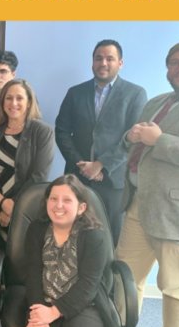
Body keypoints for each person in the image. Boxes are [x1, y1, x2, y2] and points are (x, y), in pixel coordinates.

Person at [116, 40, 179, 327]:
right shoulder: (156, 102)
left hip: (178, 212)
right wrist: (131, 136)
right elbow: (135, 141)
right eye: (175, 63)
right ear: (166, 68)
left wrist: (158, 140)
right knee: (125, 275)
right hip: (139, 203)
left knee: (177, 285)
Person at [23, 175, 116, 327]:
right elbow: (32, 274)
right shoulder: (37, 229)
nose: (58, 205)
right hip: (45, 300)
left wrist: (54, 312)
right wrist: (38, 313)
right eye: (53, 199)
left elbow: (88, 286)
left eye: (67, 200)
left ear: (81, 207)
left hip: (86, 305)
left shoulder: (94, 236)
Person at [55, 40, 147, 246]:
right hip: (77, 178)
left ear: (120, 63)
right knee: (73, 233)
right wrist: (81, 164)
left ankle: (107, 278)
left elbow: (135, 137)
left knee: (110, 237)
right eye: (98, 58)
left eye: (110, 58)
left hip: (113, 180)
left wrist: (101, 165)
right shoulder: (75, 92)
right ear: (92, 62)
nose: (103, 63)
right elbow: (61, 131)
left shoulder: (135, 94)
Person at [0, 79, 55, 229]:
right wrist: (2, 202)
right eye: (9, 98)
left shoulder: (42, 132)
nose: (13, 103)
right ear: (2, 102)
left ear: (28, 102)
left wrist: (13, 206)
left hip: (27, 209)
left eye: (19, 98)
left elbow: (39, 176)